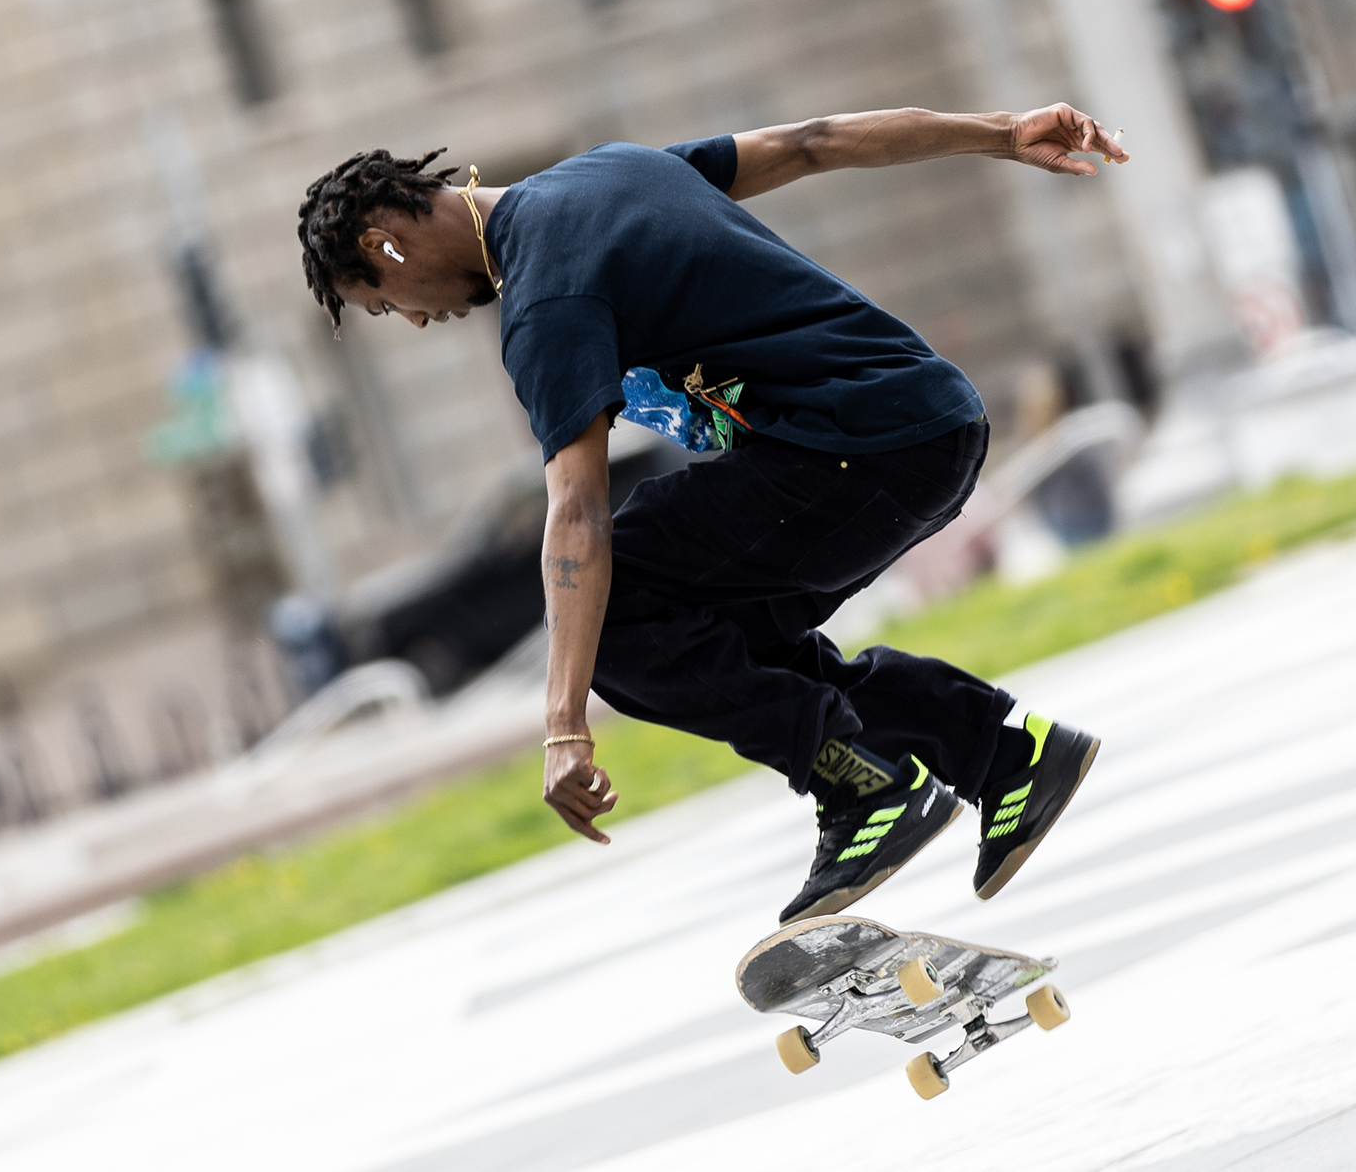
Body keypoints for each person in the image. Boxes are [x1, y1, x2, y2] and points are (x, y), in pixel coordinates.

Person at [296, 106, 1120, 923]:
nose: (414, 317)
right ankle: (1005, 754)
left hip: (859, 447)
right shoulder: (611, 168)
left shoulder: (546, 297)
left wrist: (562, 723)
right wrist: (1002, 132)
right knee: (729, 649)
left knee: (608, 617)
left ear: (385, 246)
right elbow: (813, 143)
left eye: (384, 303)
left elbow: (577, 513)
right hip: (927, 421)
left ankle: (864, 787)